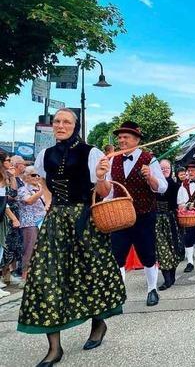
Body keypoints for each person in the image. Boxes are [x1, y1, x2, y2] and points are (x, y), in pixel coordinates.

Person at [18, 108, 126, 365]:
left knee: (93, 272)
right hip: (56, 220)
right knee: (45, 277)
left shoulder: (92, 153)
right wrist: (49, 203)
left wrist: (101, 177)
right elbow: (44, 184)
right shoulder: (45, 155)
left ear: (75, 125)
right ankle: (54, 348)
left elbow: (103, 191)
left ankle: (98, 324)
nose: (60, 125)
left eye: (66, 121)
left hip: (84, 220)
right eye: (57, 121)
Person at [108, 121, 168, 307]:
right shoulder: (112, 160)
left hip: (144, 214)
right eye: (119, 137)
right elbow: (109, 191)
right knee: (117, 255)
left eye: (125, 137)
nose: (121, 140)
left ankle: (152, 289)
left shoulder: (150, 159)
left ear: (136, 140)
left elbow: (162, 188)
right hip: (120, 216)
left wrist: (150, 176)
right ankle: (119, 293)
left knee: (147, 254)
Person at [16, 166, 47, 285]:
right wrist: (40, 192)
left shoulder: (40, 188)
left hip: (42, 221)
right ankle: (25, 277)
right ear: (26, 177)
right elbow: (28, 201)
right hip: (30, 223)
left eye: (38, 175)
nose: (37, 177)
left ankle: (38, 275)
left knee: (42, 249)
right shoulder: (23, 189)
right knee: (29, 249)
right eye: (34, 175)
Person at [155, 159, 182, 291]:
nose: (164, 170)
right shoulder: (153, 185)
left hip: (172, 220)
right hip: (157, 221)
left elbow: (182, 203)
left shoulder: (176, 186)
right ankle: (166, 279)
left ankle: (172, 275)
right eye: (161, 168)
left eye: (167, 168)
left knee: (173, 247)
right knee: (162, 248)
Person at [0, 156, 20, 300]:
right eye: (7, 160)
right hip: (2, 218)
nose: (10, 162)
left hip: (2, 218)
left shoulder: (4, 178)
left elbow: (10, 195)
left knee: (2, 249)